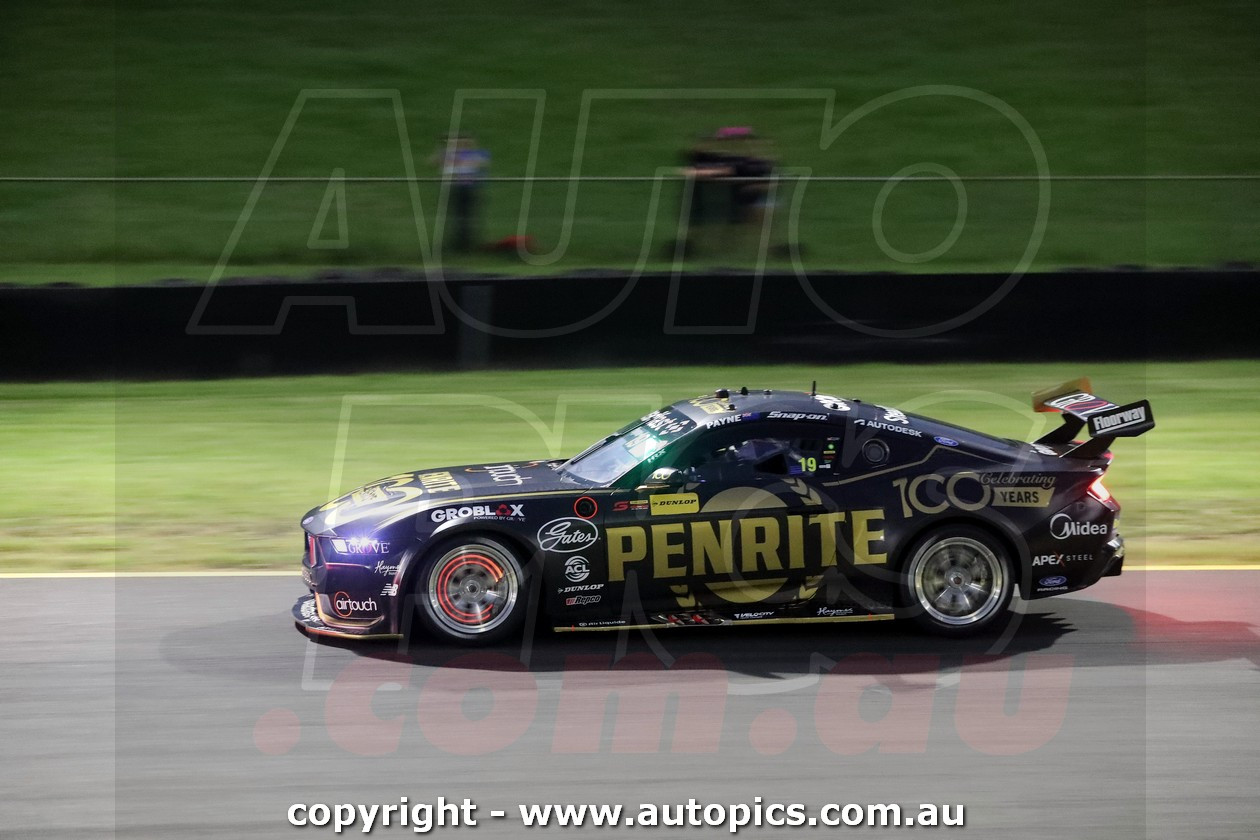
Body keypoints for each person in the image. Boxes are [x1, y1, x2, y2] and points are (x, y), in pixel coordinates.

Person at [433, 135, 490, 253]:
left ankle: (469, 243)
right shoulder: (451, 154)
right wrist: (444, 147)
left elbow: (482, 163)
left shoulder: (478, 153)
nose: (465, 143)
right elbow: (435, 161)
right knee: (457, 217)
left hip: (471, 189)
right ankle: (458, 243)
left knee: (470, 217)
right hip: (456, 189)